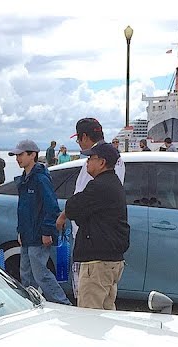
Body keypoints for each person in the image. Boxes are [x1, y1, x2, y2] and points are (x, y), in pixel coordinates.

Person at [57, 117, 125, 303]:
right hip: (107, 249)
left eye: (79, 139)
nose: (87, 162)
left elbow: (78, 203)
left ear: (85, 137)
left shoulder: (100, 180)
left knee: (89, 309)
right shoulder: (116, 164)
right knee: (105, 306)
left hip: (94, 249)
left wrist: (64, 214)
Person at [10, 139, 70, 304]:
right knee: (26, 274)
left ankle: (63, 303)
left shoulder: (40, 178)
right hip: (27, 234)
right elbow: (23, 209)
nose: (18, 158)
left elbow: (51, 206)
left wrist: (47, 231)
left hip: (38, 234)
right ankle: (31, 303)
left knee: (40, 274)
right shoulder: (25, 179)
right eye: (16, 155)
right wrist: (20, 231)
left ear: (32, 155)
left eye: (21, 155)